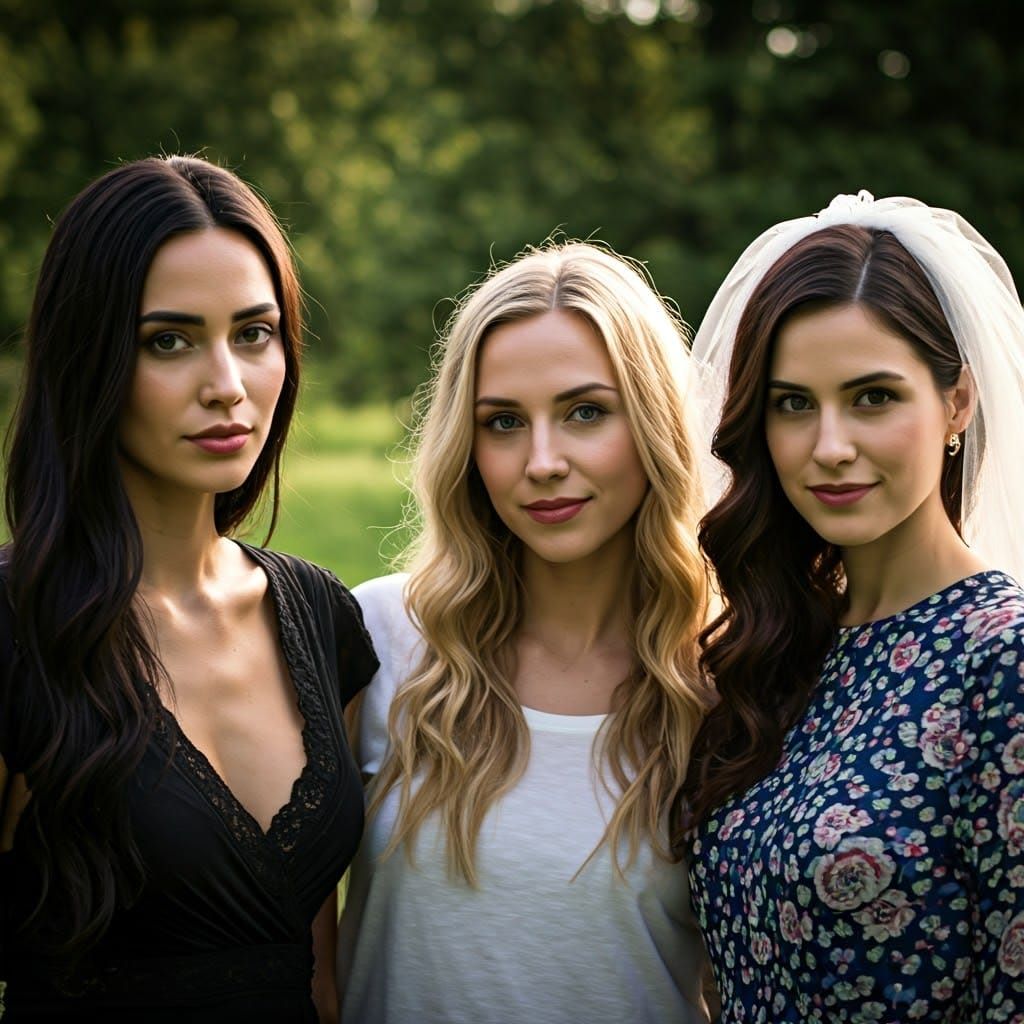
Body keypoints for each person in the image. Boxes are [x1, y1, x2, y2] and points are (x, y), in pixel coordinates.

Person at [0, 155, 378, 1021]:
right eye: (167, 341)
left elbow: (317, 977)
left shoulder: (321, 616)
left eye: (254, 333)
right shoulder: (16, 626)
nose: (227, 387)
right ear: (87, 357)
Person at [336, 241, 714, 1023]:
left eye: (585, 412)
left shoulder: (727, 681)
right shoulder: (379, 639)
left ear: (655, 423)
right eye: (503, 422)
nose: (542, 461)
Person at [683, 191, 1024, 1022]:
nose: (830, 447)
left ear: (957, 402)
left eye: (873, 397)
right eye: (794, 403)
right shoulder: (776, 651)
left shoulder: (1004, 660)